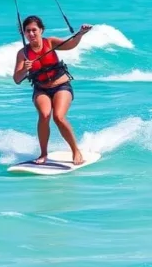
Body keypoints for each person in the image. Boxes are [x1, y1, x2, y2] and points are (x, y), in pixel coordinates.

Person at [12, 15, 93, 165]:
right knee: (44, 115)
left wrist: (80, 34)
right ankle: (43, 153)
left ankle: (76, 150)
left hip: (61, 86)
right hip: (41, 89)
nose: (31, 34)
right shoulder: (22, 53)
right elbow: (17, 79)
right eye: (27, 31)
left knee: (58, 117)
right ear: (24, 33)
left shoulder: (50, 42)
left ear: (41, 30)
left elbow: (71, 45)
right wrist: (25, 69)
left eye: (34, 30)